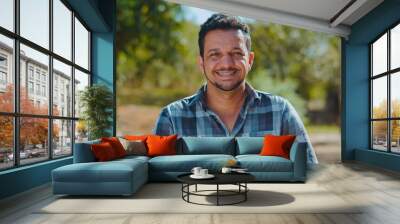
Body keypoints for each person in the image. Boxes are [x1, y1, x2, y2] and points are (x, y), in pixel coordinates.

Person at [153, 13, 318, 165]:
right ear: (202, 62)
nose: (226, 64)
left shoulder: (280, 112)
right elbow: (156, 181)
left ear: (250, 60)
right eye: (215, 55)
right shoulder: (172, 118)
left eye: (236, 53)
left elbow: (309, 173)